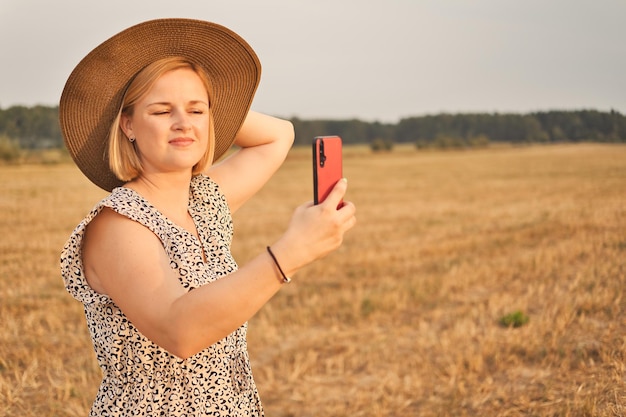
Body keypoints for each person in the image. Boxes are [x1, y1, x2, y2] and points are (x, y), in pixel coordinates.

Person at [59, 18, 356, 416]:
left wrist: (200, 102)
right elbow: (179, 330)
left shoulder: (204, 201)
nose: (183, 123)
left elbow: (278, 134)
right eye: (162, 111)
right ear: (127, 124)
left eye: (197, 110)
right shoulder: (117, 224)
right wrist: (290, 253)